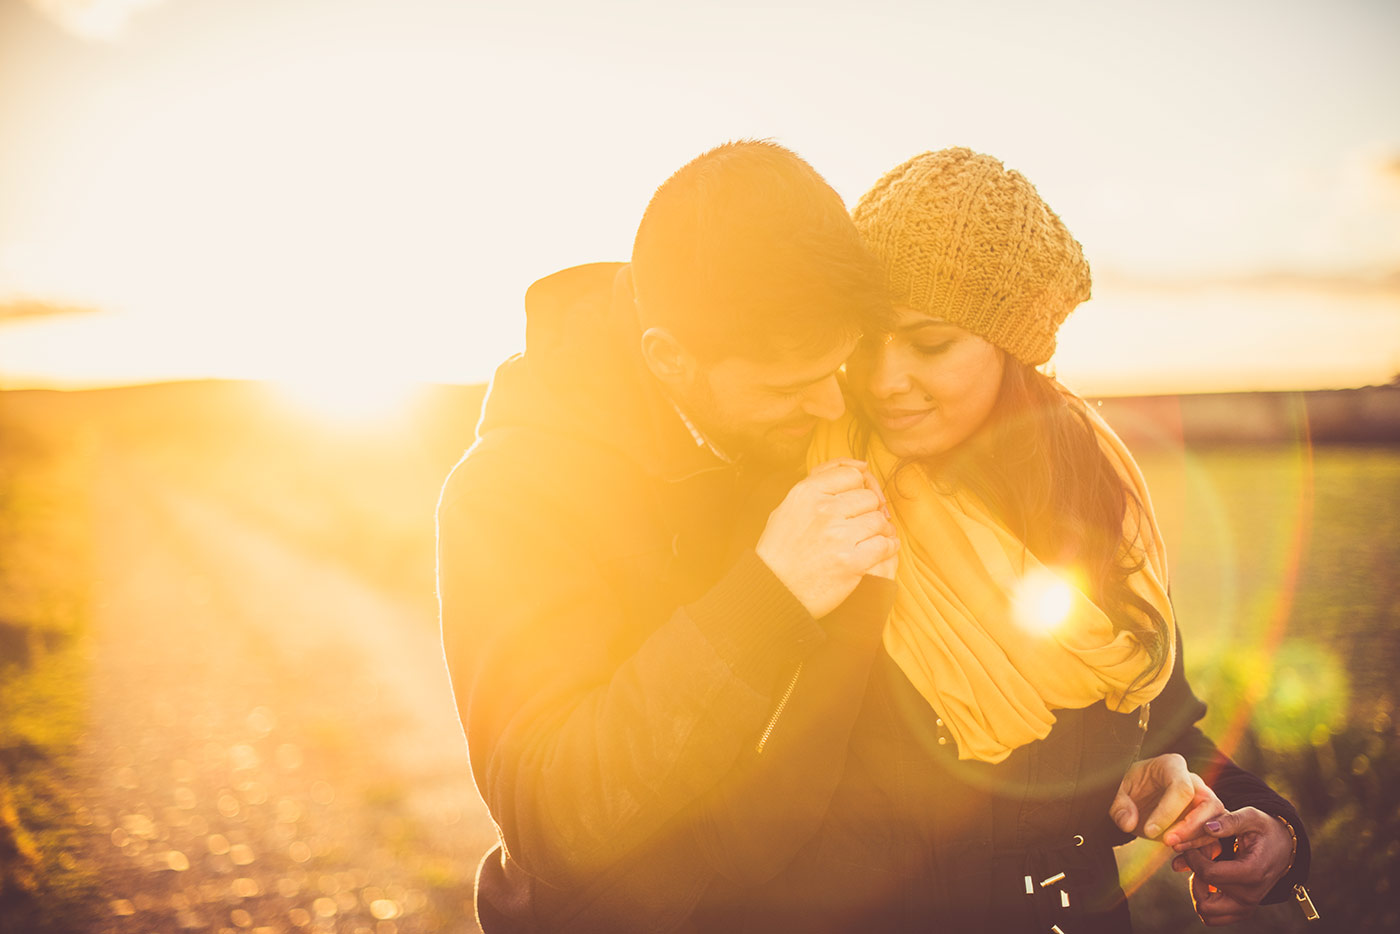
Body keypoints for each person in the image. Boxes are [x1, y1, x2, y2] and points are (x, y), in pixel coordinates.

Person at [798, 146, 1314, 929]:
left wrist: (1266, 827)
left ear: (1010, 346)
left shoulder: (1095, 493)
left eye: (929, 344)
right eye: (864, 339)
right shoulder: (817, 490)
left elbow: (1161, 722)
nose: (882, 378)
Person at [436, 140, 906, 933]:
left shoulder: (812, 416)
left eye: (841, 367)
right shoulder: (506, 494)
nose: (832, 405)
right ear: (671, 359)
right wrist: (769, 596)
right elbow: (552, 812)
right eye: (792, 386)